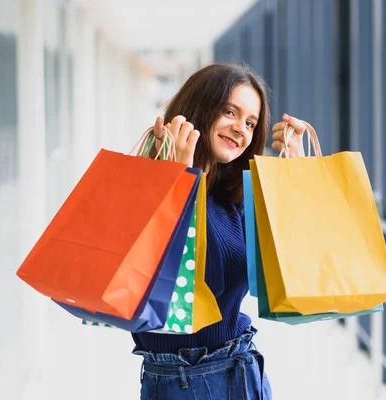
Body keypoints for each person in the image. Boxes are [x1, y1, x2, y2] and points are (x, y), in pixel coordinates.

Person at [131, 62, 308, 399]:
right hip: (183, 381)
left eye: (251, 122)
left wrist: (293, 177)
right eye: (230, 111)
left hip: (244, 370)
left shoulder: (233, 202)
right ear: (201, 107)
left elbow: (285, 278)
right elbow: (156, 288)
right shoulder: (150, 186)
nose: (241, 128)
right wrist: (178, 178)